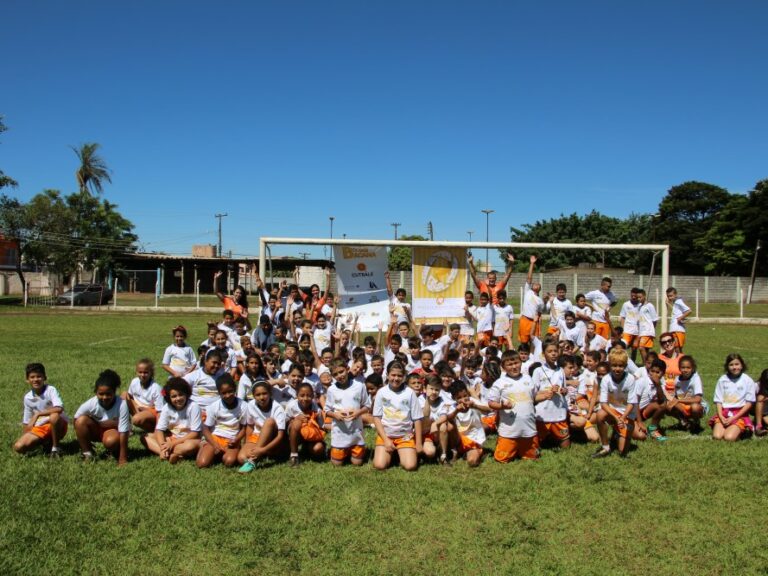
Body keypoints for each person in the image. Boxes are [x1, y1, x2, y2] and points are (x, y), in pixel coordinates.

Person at [487, 350, 541, 462]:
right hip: (509, 430)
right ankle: (511, 447)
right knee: (501, 459)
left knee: (533, 457)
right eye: (510, 364)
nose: (514, 367)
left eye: (516, 363)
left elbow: (534, 397)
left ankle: (522, 449)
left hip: (529, 429)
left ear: (521, 362)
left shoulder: (528, 379)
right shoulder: (499, 383)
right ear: (503, 367)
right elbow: (491, 403)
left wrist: (546, 395)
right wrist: (502, 406)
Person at [372, 361, 423, 471]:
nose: (396, 378)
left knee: (410, 466)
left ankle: (399, 452)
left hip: (405, 436)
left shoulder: (410, 393)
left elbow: (417, 419)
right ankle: (393, 451)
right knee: (379, 465)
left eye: (399, 375)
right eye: (393, 375)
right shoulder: (381, 392)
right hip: (386, 435)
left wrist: (418, 443)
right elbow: (376, 417)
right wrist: (385, 440)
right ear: (387, 375)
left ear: (404, 377)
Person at [74, 369, 130, 465]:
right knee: (80, 421)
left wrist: (123, 458)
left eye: (108, 394)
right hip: (96, 430)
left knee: (111, 442)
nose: (104, 397)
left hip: (112, 432)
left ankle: (116, 450)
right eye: (101, 394)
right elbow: (76, 419)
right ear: (96, 392)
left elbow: (124, 432)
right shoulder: (91, 403)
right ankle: (87, 453)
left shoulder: (122, 404)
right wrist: (85, 439)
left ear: (114, 392)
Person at [13, 362, 68, 458]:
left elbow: (59, 408)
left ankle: (55, 448)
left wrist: (38, 414)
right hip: (41, 427)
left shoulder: (50, 390)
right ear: (27, 380)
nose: (36, 379)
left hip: (57, 424)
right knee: (18, 447)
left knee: (54, 416)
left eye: (39, 376)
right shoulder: (28, 397)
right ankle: (45, 443)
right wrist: (26, 437)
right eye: (32, 377)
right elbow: (27, 423)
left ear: (44, 378)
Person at [592, 348, 638, 459]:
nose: (617, 369)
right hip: (612, 411)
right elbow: (603, 403)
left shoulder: (630, 379)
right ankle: (605, 447)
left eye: (621, 366)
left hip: (626, 413)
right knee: (600, 414)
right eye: (614, 365)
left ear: (626, 365)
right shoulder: (606, 379)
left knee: (622, 453)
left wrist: (623, 417)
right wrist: (617, 418)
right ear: (610, 365)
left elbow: (632, 403)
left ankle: (618, 434)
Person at [144, 377, 202, 463]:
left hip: (188, 439)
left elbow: (195, 433)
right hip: (172, 438)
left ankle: (169, 453)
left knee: (190, 446)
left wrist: (172, 444)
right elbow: (159, 429)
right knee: (145, 437)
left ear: (186, 394)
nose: (178, 398)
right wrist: (162, 446)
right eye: (174, 396)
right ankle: (167, 453)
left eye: (181, 394)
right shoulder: (167, 408)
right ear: (169, 398)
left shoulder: (193, 407)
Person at [325, 359, 370, 466]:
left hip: (355, 432)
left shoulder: (359, 386)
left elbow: (367, 406)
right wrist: (335, 415)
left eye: (341, 371)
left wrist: (358, 413)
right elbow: (327, 410)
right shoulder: (331, 390)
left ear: (347, 369)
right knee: (337, 464)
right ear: (332, 376)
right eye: (335, 374)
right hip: (340, 432)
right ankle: (338, 450)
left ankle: (354, 449)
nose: (339, 376)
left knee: (357, 463)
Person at [196, 373, 246, 469]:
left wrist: (237, 440)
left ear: (235, 389)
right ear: (219, 393)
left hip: (231, 440)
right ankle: (206, 448)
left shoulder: (243, 406)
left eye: (230, 391)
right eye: (223, 393)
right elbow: (205, 428)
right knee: (202, 464)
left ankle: (222, 453)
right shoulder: (214, 407)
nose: (228, 395)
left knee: (229, 461)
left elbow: (244, 427)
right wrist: (215, 445)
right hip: (215, 438)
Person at [237, 380, 287, 472]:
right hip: (257, 436)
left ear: (270, 393)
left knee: (269, 422)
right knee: (241, 458)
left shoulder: (277, 408)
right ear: (253, 396)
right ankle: (257, 456)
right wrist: (247, 444)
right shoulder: (251, 405)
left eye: (264, 393)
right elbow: (250, 426)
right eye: (258, 395)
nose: (262, 397)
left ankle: (254, 459)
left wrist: (262, 450)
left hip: (272, 438)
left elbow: (280, 436)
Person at [532, 340, 570, 449]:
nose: (553, 354)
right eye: (550, 351)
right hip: (543, 413)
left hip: (558, 412)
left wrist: (563, 390)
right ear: (544, 354)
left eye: (555, 351)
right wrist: (547, 392)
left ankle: (553, 438)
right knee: (537, 446)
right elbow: (534, 392)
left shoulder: (561, 370)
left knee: (566, 446)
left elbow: (565, 389)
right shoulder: (538, 371)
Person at [710, 353, 756, 441]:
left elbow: (749, 403)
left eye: (737, 364)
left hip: (739, 414)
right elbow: (718, 401)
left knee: (729, 438)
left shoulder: (747, 380)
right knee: (717, 436)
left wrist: (734, 418)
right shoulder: (723, 379)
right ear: (727, 367)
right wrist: (720, 416)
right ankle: (728, 428)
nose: (734, 367)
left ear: (742, 365)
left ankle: (743, 430)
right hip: (724, 413)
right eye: (731, 365)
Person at [284, 381, 325, 466]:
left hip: (310, 435)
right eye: (302, 395)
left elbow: (321, 427)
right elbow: (284, 422)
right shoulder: (291, 406)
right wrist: (295, 419)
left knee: (318, 448)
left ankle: (307, 448)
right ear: (297, 396)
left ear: (313, 396)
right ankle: (294, 455)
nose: (305, 398)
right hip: (296, 435)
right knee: (297, 423)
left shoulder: (316, 408)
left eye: (309, 395)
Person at [447, 381, 486, 467]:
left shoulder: (473, 402)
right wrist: (456, 411)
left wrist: (475, 406)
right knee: (449, 425)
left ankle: (477, 452)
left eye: (465, 396)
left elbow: (488, 409)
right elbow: (448, 418)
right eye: (459, 397)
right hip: (458, 440)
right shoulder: (453, 407)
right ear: (454, 398)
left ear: (468, 394)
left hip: (474, 440)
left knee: (472, 462)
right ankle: (455, 450)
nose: (463, 399)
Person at [124, 358, 164, 433]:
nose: (142, 375)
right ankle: (126, 427)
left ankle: (155, 431)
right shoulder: (134, 382)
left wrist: (158, 431)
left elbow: (160, 412)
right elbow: (130, 396)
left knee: (136, 419)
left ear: (151, 373)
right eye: (140, 372)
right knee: (124, 395)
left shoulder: (156, 388)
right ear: (136, 372)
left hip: (151, 411)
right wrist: (135, 406)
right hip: (138, 408)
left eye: (146, 372)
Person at [633, 358, 668, 442]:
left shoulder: (661, 383)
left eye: (657, 372)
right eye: (652, 371)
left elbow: (661, 400)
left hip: (642, 411)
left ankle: (653, 429)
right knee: (641, 436)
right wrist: (640, 421)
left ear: (663, 373)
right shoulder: (642, 381)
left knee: (662, 404)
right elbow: (635, 402)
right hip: (631, 413)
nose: (654, 374)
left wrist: (658, 385)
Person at [421, 375, 453, 465]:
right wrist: (427, 399)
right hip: (424, 433)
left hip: (435, 432)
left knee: (444, 425)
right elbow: (425, 415)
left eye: (437, 390)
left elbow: (444, 416)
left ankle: (443, 455)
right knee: (430, 453)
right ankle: (427, 452)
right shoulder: (420, 399)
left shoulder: (441, 401)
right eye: (431, 389)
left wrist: (435, 423)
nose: (434, 392)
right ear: (425, 388)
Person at [184, 348, 225, 419]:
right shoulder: (193, 376)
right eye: (214, 362)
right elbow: (176, 388)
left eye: (218, 364)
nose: (216, 366)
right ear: (206, 361)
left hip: (217, 414)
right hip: (197, 414)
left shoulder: (222, 377)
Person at [668, 355, 705, 432]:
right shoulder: (676, 379)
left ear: (692, 368)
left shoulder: (695, 378)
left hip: (696, 406)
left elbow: (698, 399)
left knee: (695, 407)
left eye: (688, 368)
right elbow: (675, 396)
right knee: (666, 405)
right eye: (683, 367)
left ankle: (696, 422)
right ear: (679, 368)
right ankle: (684, 421)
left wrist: (678, 401)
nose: (685, 370)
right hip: (683, 406)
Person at [518, 255, 547, 345]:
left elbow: (540, 314)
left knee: (534, 343)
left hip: (534, 323)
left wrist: (545, 301)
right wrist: (532, 264)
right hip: (525, 320)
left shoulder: (539, 300)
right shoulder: (528, 291)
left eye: (538, 284)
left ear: (540, 289)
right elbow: (529, 278)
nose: (536, 284)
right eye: (535, 283)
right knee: (524, 343)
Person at [666, 287, 691, 352]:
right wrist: (668, 304)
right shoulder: (675, 303)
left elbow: (689, 310)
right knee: (675, 348)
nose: (669, 298)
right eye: (668, 296)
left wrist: (681, 318)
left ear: (675, 295)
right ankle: (680, 361)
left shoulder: (678, 301)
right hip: (674, 329)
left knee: (677, 348)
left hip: (678, 329)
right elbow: (676, 311)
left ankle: (682, 361)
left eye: (671, 296)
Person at [754, 369, 768, 437]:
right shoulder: (756, 386)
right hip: (756, 408)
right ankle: (758, 427)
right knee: (760, 398)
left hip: (766, 411)